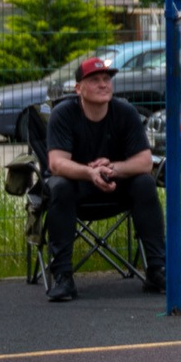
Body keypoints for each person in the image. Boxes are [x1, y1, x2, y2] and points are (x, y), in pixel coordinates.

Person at [40, 56, 166, 303]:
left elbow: (144, 161)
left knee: (145, 183)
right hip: (76, 188)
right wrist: (90, 173)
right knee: (60, 187)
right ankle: (63, 277)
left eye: (107, 79)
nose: (103, 84)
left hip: (114, 185)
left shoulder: (125, 112)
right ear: (78, 88)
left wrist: (114, 168)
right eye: (95, 80)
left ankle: (157, 270)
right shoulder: (63, 114)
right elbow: (56, 163)